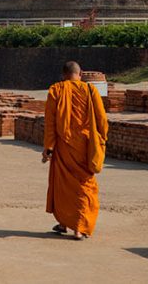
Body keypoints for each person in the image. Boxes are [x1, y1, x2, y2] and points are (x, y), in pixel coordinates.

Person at [41, 60, 108, 240]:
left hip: (64, 146)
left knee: (63, 186)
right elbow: (102, 119)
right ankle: (78, 228)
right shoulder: (90, 90)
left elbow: (50, 123)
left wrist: (48, 147)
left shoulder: (56, 90)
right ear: (81, 73)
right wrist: (101, 140)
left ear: (63, 75)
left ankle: (65, 223)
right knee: (84, 185)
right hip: (85, 146)